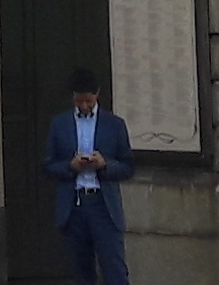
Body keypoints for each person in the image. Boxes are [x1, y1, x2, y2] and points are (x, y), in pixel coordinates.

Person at [44, 67, 135, 285]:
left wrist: (105, 165)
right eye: (79, 101)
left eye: (89, 101)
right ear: (72, 97)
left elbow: (128, 167)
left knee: (114, 268)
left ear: (97, 95)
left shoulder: (114, 124)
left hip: (103, 205)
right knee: (82, 271)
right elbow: (48, 165)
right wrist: (70, 166)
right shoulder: (59, 124)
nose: (84, 106)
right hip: (74, 205)